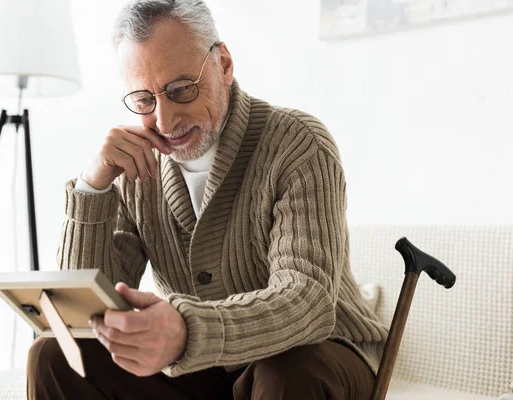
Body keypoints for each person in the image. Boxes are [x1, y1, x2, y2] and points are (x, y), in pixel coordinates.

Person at [27, 0, 388, 398]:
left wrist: (186, 331)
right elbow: (81, 313)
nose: (165, 122)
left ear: (224, 65)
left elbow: (306, 301)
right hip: (203, 366)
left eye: (180, 89)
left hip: (324, 355)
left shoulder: (298, 144)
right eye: (144, 100)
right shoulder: (135, 169)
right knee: (53, 354)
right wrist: (92, 188)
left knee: (284, 372)